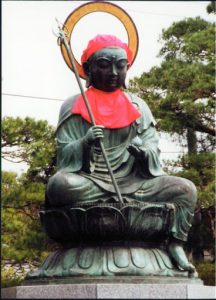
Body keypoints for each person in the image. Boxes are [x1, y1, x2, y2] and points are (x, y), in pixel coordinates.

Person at [46, 34, 197, 272]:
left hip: (136, 185)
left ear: (128, 67)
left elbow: (153, 150)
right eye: (104, 65)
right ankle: (113, 213)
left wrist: (143, 153)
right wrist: (84, 143)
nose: (114, 73)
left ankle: (176, 244)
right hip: (89, 182)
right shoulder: (75, 105)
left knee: (185, 190)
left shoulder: (138, 106)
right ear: (87, 69)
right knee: (59, 186)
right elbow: (64, 156)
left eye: (121, 65)